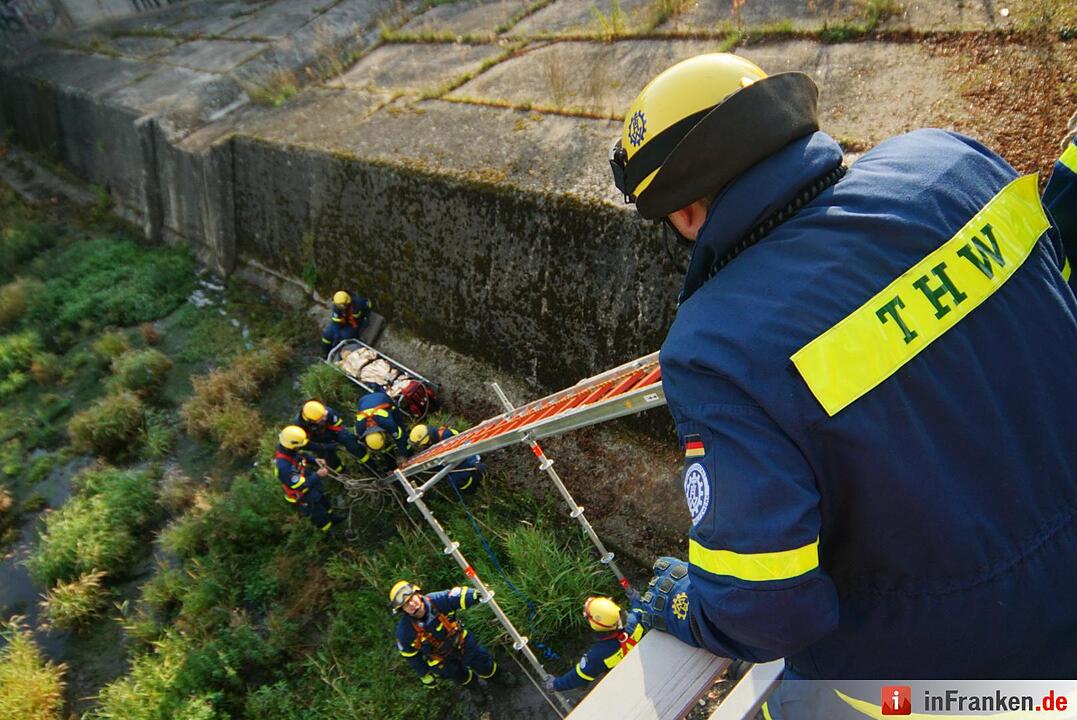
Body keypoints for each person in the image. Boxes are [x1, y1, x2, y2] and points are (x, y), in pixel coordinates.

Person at [608, 53, 1077, 713]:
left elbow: (768, 612)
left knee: (793, 706)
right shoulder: (951, 161)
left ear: (684, 212)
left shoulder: (715, 350)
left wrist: (686, 605)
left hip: (975, 679)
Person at [390, 580, 504, 698]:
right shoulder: (404, 633)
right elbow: (411, 656)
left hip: (462, 643)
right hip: (442, 659)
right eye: (406, 604)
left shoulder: (437, 600)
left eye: (411, 598)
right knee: (459, 676)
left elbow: (457, 596)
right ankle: (474, 687)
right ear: (402, 610)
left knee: (482, 662)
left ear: (418, 593)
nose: (411, 604)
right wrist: (425, 675)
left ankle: (498, 677)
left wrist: (476, 594)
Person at [544, 596, 643, 694]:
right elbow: (638, 609)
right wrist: (635, 599)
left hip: (627, 682)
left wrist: (555, 684)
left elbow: (579, 676)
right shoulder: (634, 620)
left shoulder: (598, 655)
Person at [273, 425, 341, 533]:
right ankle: (330, 533)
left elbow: (301, 456)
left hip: (308, 481)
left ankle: (333, 518)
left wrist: (314, 460)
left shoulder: (288, 448)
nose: (301, 447)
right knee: (320, 516)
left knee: (324, 503)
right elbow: (299, 485)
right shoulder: (284, 466)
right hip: (303, 495)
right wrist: (317, 475)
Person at [407, 423, 486, 494]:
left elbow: (466, 446)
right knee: (455, 481)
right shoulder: (433, 441)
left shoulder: (446, 435)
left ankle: (478, 488)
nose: (421, 448)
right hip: (452, 463)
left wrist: (475, 462)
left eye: (420, 445)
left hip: (465, 461)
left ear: (428, 439)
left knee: (460, 480)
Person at [293, 400, 365, 472]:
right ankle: (343, 473)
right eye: (321, 419)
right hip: (317, 441)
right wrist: (325, 446)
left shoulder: (328, 412)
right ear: (311, 421)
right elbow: (306, 445)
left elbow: (338, 427)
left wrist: (340, 439)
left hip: (332, 432)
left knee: (350, 442)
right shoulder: (299, 428)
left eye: (324, 415)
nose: (325, 418)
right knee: (330, 459)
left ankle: (367, 463)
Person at [356, 385, 409, 460]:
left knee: (399, 423)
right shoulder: (360, 429)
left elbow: (399, 437)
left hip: (382, 398)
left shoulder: (387, 423)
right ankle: (389, 458)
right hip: (363, 401)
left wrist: (404, 455)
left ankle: (408, 448)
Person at [321, 290, 371, 358]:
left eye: (342, 305)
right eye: (339, 305)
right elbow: (336, 323)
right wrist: (336, 335)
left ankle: (340, 353)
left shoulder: (358, 302)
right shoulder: (337, 307)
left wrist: (366, 317)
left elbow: (368, 304)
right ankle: (327, 355)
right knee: (327, 335)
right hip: (342, 323)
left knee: (344, 336)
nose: (341, 307)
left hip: (353, 325)